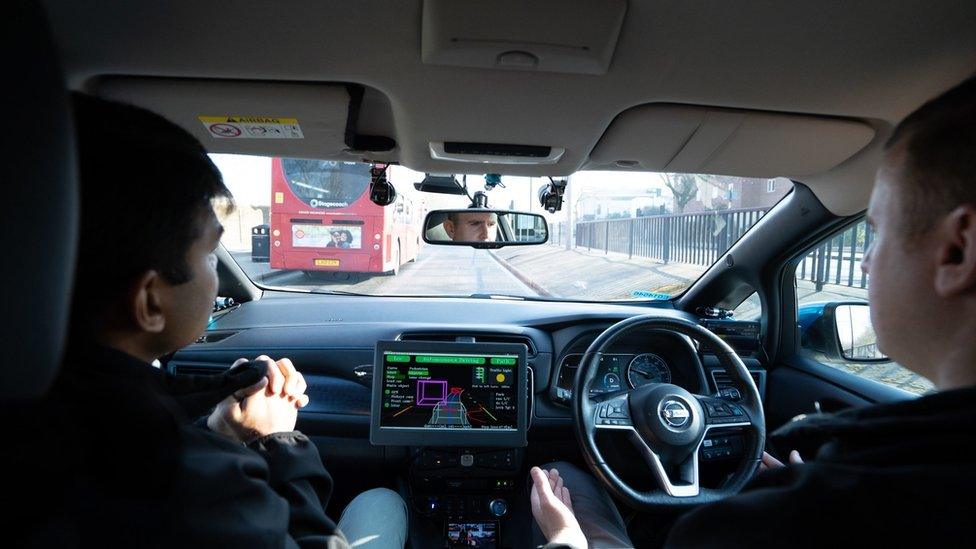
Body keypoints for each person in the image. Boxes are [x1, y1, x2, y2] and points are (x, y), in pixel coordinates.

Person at [530, 75, 976, 547]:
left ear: (958, 250)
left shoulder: (768, 524)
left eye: (877, 229)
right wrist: (809, 496)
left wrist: (566, 540)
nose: (866, 260)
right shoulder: (842, 504)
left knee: (565, 478)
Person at [14, 93, 408, 547]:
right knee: (381, 502)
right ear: (149, 301)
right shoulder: (194, 486)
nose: (218, 278)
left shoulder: (39, 417)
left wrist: (215, 431)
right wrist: (278, 442)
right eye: (208, 254)